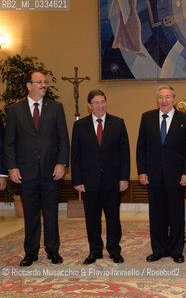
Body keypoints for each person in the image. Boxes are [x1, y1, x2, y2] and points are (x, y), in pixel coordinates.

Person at [4, 70, 69, 267]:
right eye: (39, 82)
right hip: (26, 173)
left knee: (51, 214)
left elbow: (63, 139)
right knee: (31, 215)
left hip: (51, 172)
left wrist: (61, 163)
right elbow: (8, 143)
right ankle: (30, 253)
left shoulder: (56, 107)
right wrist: (12, 167)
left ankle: (53, 251)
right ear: (29, 85)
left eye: (45, 81)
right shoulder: (15, 110)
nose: (44, 84)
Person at [71, 90, 130, 265]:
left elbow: (124, 154)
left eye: (103, 101)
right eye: (96, 103)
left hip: (112, 180)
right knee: (92, 218)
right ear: (89, 106)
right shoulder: (79, 126)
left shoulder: (118, 123)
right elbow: (75, 155)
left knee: (113, 218)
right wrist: (77, 180)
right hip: (89, 181)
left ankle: (114, 250)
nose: (100, 105)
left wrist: (124, 178)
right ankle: (94, 251)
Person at [137, 85, 186, 264]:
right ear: (157, 100)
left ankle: (176, 250)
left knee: (176, 214)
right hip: (153, 175)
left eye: (167, 97)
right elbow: (141, 147)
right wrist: (142, 171)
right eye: (161, 97)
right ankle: (159, 250)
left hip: (177, 176)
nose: (164, 101)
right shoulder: (147, 118)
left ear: (174, 100)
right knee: (157, 215)